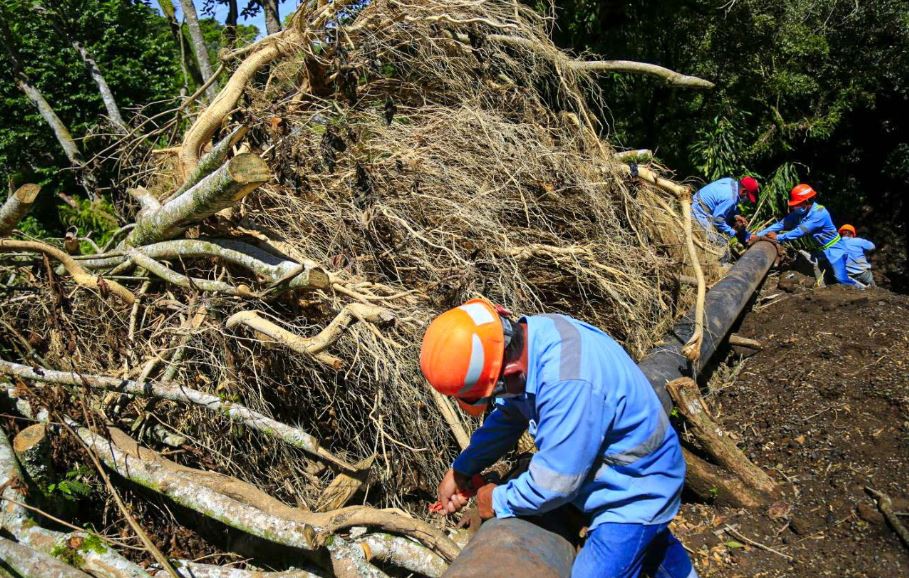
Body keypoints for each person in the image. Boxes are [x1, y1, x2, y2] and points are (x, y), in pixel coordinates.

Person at [420, 299, 696, 578]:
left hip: (636, 489)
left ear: (509, 373)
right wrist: (462, 468)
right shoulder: (529, 340)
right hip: (615, 474)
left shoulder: (569, 384)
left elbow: (555, 484)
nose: (497, 401)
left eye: (493, 394)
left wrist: (497, 499)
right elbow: (509, 416)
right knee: (651, 546)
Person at [753, 183, 857, 286]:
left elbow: (801, 231)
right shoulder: (800, 213)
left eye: (797, 204)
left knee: (841, 279)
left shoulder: (820, 213)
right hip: (819, 251)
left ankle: (860, 292)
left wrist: (778, 237)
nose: (795, 207)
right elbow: (781, 224)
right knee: (822, 275)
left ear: (807, 202)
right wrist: (759, 234)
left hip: (835, 250)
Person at [692, 176, 759, 245]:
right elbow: (717, 220)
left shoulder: (730, 181)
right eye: (747, 197)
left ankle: (747, 237)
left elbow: (721, 203)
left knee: (731, 220)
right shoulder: (731, 198)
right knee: (722, 243)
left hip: (696, 199)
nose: (746, 199)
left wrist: (736, 216)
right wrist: (732, 232)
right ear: (743, 191)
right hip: (698, 212)